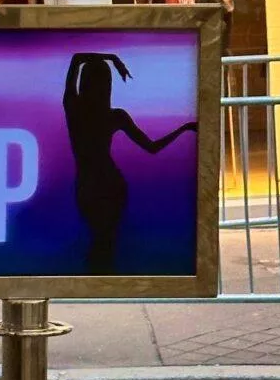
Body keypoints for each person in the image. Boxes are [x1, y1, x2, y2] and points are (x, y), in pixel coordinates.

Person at [63, 52, 197, 275]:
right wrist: (183, 129)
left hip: (90, 187)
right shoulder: (114, 116)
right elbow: (152, 147)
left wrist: (112, 58)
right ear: (107, 86)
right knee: (106, 243)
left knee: (100, 243)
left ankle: (96, 283)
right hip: (109, 185)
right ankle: (102, 283)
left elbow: (77, 59)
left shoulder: (73, 107)